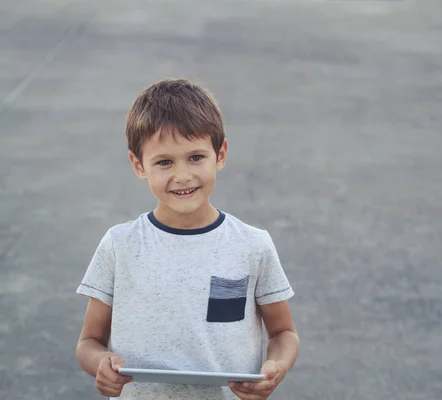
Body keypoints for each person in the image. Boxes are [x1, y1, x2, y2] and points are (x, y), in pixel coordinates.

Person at [74, 78, 299, 400]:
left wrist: (276, 366)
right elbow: (89, 342)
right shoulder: (120, 245)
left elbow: (283, 332)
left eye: (195, 157)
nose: (182, 175)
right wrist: (100, 364)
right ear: (138, 165)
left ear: (220, 154)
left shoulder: (252, 245)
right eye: (164, 162)